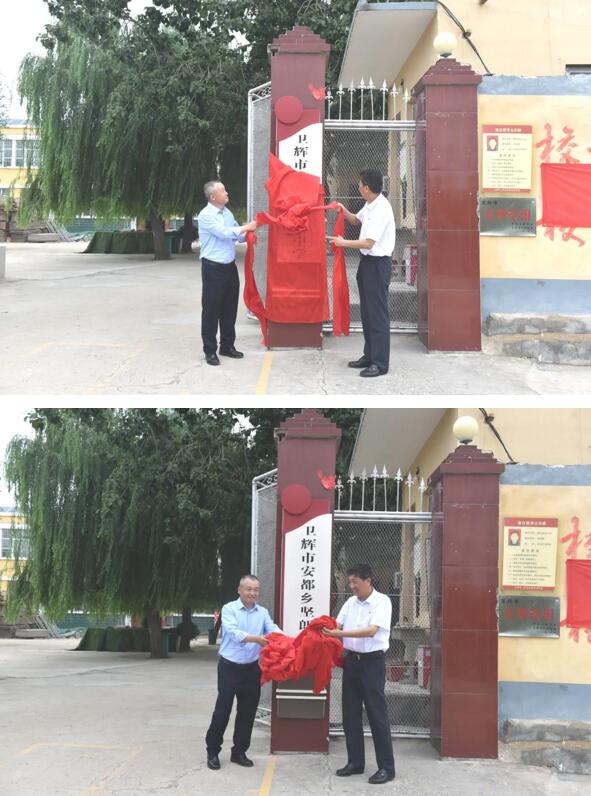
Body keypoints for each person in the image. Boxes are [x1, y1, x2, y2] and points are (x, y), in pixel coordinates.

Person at [323, 563, 395, 785]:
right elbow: (337, 624)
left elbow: (371, 631)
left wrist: (338, 633)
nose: (352, 586)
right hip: (352, 662)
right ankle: (355, 762)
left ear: (368, 581)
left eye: (355, 582)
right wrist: (323, 630)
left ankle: (387, 767)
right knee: (350, 714)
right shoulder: (350, 603)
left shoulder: (382, 601)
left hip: (372, 663)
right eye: (350, 582)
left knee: (376, 714)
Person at [205, 574, 281, 770]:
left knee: (247, 712)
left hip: (252, 669)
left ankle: (239, 752)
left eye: (256, 590)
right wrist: (257, 639)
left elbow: (272, 629)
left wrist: (287, 639)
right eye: (249, 589)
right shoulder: (229, 609)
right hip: (229, 667)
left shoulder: (262, 612)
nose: (252, 593)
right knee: (222, 711)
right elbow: (233, 633)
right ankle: (213, 751)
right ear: (239, 590)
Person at [327, 169, 396, 378]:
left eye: (359, 184)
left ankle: (380, 363)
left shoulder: (382, 208)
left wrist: (343, 243)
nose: (358, 187)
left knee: (377, 315)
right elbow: (356, 220)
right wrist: (343, 210)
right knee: (367, 313)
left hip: (378, 265)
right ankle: (369, 355)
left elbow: (368, 243)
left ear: (366, 188)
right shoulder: (370, 204)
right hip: (366, 264)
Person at [197, 181, 257, 366]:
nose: (226, 192)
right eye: (222, 190)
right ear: (212, 197)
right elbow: (224, 233)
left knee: (229, 309)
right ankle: (210, 350)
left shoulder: (227, 213)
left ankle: (227, 345)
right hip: (212, 269)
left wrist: (250, 233)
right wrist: (247, 227)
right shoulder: (206, 215)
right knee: (211, 310)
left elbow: (236, 235)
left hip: (229, 268)